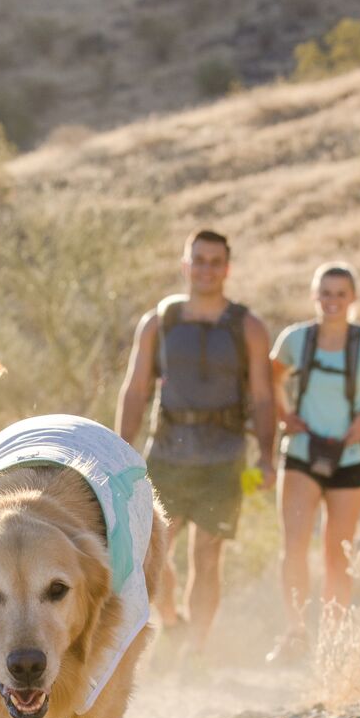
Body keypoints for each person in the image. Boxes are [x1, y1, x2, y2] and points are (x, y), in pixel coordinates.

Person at [116, 229, 277, 655]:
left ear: (227, 268)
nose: (206, 269)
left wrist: (267, 456)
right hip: (166, 453)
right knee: (154, 552)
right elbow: (135, 390)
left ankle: (196, 653)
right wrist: (118, 449)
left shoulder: (248, 327)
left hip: (224, 457)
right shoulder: (160, 322)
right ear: (185, 265)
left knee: (208, 556)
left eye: (215, 261)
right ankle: (171, 620)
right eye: (198, 260)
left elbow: (263, 396)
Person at [268, 261, 360, 660]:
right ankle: (296, 633)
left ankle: (332, 642)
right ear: (315, 296)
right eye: (325, 293)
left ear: (353, 299)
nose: (332, 301)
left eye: (340, 294)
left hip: (350, 459)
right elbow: (270, 378)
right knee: (294, 546)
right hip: (301, 454)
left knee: (338, 552)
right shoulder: (295, 340)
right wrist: (284, 415)